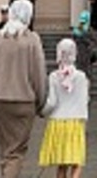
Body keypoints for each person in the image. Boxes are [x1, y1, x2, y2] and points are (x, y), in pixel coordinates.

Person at [0, 0, 48, 178]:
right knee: (16, 152)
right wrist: (41, 103)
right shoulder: (31, 39)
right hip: (23, 102)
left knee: (5, 150)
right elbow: (39, 75)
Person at [38, 37, 90, 178]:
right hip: (75, 122)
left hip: (57, 122)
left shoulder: (54, 76)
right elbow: (85, 100)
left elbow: (52, 102)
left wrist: (42, 112)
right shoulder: (81, 77)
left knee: (62, 163)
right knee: (77, 161)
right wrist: (84, 120)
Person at [71, 10, 97, 78]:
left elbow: (73, 40)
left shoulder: (77, 30)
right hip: (84, 53)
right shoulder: (87, 30)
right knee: (85, 71)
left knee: (81, 70)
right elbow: (95, 41)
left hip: (81, 53)